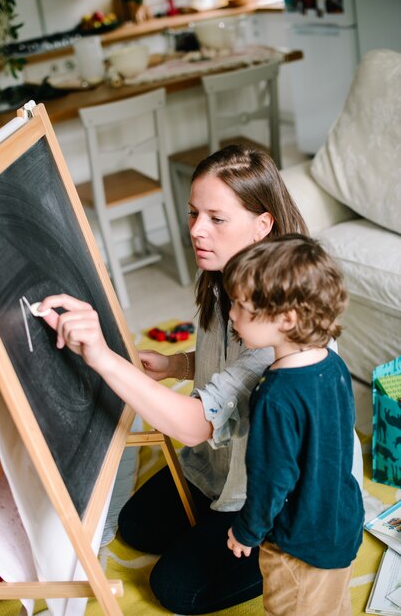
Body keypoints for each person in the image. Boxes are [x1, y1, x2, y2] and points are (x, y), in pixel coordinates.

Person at [39, 145, 361, 615]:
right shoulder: (227, 284)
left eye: (216, 218)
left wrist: (104, 358)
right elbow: (221, 367)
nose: (196, 230)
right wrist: (177, 366)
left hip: (277, 502)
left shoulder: (279, 348)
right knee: (137, 527)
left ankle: (270, 554)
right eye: (193, 213)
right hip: (220, 462)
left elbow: (196, 424)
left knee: (174, 588)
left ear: (262, 225)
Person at [223, 234, 364, 616]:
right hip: (342, 520)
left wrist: (247, 531)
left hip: (299, 545)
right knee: (332, 605)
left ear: (286, 319)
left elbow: (272, 479)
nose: (231, 314)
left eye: (240, 304)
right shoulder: (332, 364)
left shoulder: (275, 395)